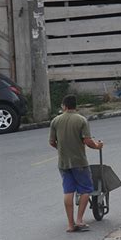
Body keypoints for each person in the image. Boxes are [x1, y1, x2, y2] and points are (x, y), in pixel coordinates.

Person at [49, 94, 104, 232]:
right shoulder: (81, 120)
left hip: (63, 163)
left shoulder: (55, 121)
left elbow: (51, 142)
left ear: (64, 106)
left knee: (68, 191)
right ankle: (79, 220)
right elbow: (87, 141)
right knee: (86, 190)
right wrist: (98, 146)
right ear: (75, 106)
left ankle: (70, 224)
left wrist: (61, 149)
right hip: (79, 162)